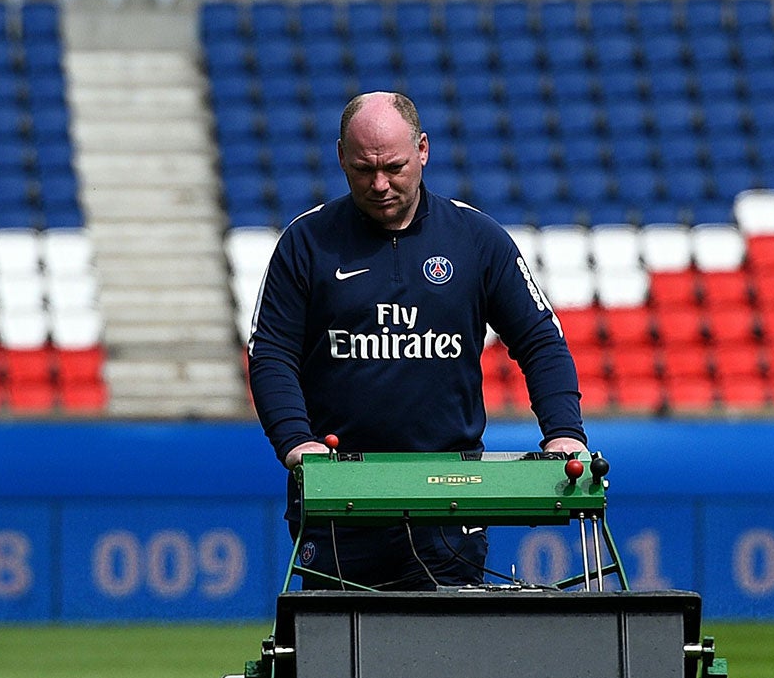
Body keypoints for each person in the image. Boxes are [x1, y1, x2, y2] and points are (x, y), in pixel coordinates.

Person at [247, 91, 587, 589]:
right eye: (364, 169)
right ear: (341, 156)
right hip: (340, 500)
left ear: (423, 150)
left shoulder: (476, 239)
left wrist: (564, 431)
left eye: (394, 167)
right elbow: (270, 352)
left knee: (446, 663)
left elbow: (540, 339)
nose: (380, 184)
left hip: (450, 505)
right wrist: (297, 442)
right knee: (335, 663)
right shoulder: (306, 243)